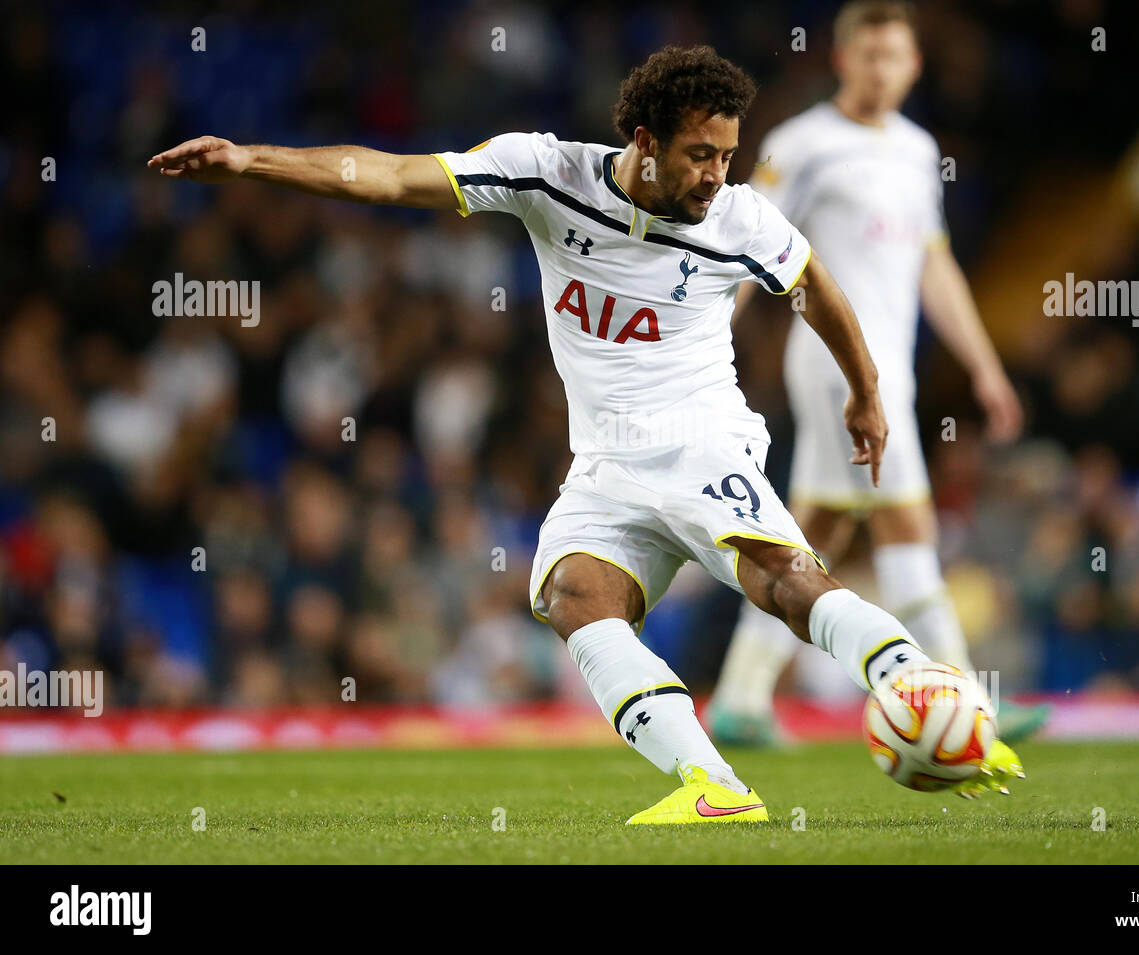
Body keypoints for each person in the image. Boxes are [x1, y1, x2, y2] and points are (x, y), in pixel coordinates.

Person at [148, 43, 1023, 824]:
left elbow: (818, 286)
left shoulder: (738, 219)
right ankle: (714, 785)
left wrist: (866, 391)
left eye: (727, 153)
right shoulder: (545, 174)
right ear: (643, 140)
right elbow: (388, 176)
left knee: (779, 579)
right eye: (699, 154)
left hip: (701, 437)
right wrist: (252, 160)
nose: (718, 173)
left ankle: (918, 682)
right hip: (604, 463)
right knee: (573, 599)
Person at [711, 1, 1051, 747]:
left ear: (913, 65)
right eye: (866, 55)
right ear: (841, 60)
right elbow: (749, 243)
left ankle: (739, 696)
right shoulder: (803, 144)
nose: (879, 69)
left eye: (892, 56)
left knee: (817, 532)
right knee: (909, 523)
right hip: (837, 363)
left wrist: (985, 367)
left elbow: (935, 264)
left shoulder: (919, 150)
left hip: (892, 363)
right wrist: (710, 332)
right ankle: (967, 702)